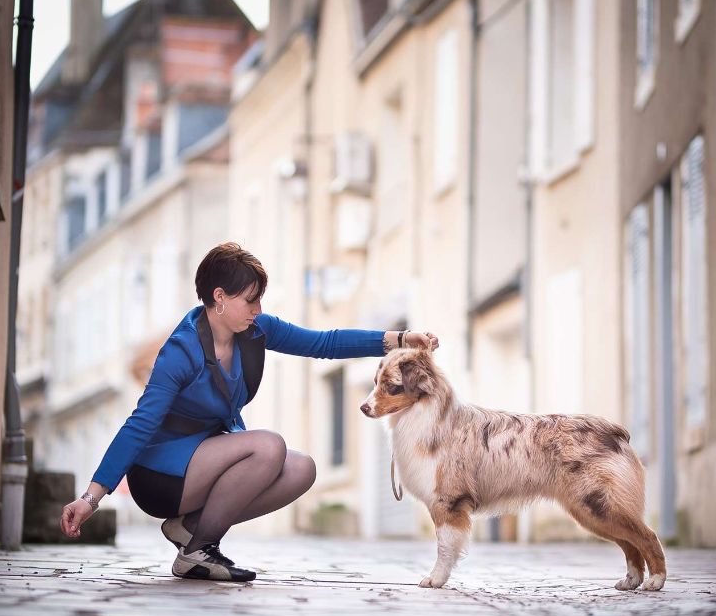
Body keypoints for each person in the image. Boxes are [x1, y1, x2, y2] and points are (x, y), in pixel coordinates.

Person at [59, 242, 439, 581]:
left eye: (260, 300)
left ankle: (190, 528)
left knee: (301, 468)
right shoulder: (180, 351)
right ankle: (197, 550)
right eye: (250, 300)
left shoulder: (255, 331)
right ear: (219, 297)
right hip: (161, 473)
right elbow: (139, 424)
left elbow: (323, 342)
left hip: (208, 457)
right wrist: (91, 498)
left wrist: (399, 340)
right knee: (268, 446)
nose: (258, 310)